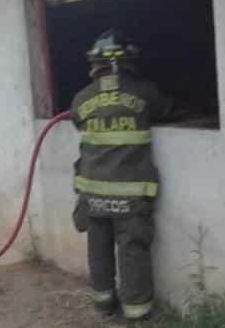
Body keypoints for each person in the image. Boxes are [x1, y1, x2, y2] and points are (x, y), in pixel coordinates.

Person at [70, 30, 172, 323]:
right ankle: (137, 313)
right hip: (130, 195)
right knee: (132, 250)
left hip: (92, 195)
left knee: (98, 248)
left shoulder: (82, 98)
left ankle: (104, 306)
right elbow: (165, 109)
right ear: (127, 60)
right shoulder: (144, 92)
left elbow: (77, 119)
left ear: (95, 63)